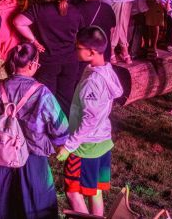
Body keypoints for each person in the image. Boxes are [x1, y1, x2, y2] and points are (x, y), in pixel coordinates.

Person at [0, 43, 69, 219]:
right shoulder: (42, 93)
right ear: (31, 64)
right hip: (32, 158)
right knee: (34, 207)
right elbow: (60, 125)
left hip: (1, 156)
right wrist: (60, 143)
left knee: (1, 205)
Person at [57, 26, 124, 217]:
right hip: (102, 141)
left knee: (73, 191)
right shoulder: (105, 70)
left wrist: (69, 146)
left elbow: (89, 120)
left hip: (85, 147)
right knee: (94, 191)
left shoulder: (92, 82)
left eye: (79, 47)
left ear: (91, 52)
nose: (75, 50)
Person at [14, 0, 84, 116]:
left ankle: (47, 124)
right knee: (66, 97)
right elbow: (81, 33)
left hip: (48, 61)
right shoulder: (75, 11)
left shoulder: (39, 9)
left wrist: (34, 40)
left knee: (46, 97)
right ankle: (63, 125)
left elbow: (18, 22)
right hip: (70, 60)